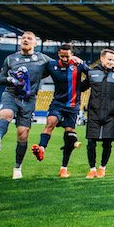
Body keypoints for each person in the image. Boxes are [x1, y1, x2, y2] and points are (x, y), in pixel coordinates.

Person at [0, 31, 52, 179]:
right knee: (6, 114)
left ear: (35, 43)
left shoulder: (43, 59)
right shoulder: (11, 59)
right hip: (11, 94)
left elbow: (57, 67)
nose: (25, 40)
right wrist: (12, 80)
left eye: (29, 38)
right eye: (23, 38)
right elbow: (0, 79)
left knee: (22, 134)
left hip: (29, 99)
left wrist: (74, 59)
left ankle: (17, 168)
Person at [31, 43, 89, 178]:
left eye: (67, 56)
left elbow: (92, 75)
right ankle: (41, 148)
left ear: (72, 55)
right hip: (57, 103)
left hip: (73, 106)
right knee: (50, 123)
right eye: (62, 56)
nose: (64, 59)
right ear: (58, 54)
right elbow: (38, 75)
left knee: (69, 136)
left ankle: (64, 168)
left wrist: (83, 66)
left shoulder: (78, 65)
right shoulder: (52, 65)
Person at [82, 49, 114, 179]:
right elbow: (81, 87)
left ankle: (102, 167)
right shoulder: (92, 73)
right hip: (94, 113)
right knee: (91, 142)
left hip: (111, 114)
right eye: (109, 59)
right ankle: (92, 168)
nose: (111, 62)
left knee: (107, 143)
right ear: (102, 59)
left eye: (113, 60)